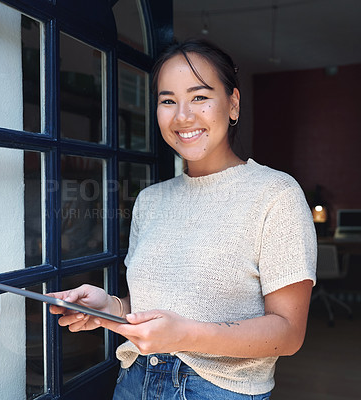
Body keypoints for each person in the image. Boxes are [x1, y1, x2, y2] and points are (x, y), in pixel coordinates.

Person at [50, 39, 317, 399]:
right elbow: (154, 305)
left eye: (200, 97)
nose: (183, 116)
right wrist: (111, 309)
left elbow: (288, 333)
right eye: (168, 101)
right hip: (134, 382)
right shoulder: (150, 200)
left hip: (218, 390)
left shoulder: (275, 194)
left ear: (233, 104)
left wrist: (186, 334)